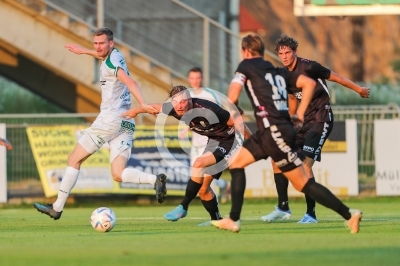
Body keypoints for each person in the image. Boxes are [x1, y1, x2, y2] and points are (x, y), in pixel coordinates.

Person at [211, 33, 362, 233]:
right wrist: (299, 113)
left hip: (273, 131)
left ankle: (347, 214)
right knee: (238, 163)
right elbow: (308, 84)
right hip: (274, 131)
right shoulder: (277, 72)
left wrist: (234, 109)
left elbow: (231, 97)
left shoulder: (246, 66)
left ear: (245, 51)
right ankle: (348, 214)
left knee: (302, 181)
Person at [33, 27, 166, 220]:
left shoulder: (112, 63)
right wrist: (84, 51)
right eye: (95, 43)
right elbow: (103, 57)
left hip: (110, 120)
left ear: (110, 43)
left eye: (101, 43)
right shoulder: (116, 55)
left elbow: (131, 83)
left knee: (74, 159)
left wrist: (144, 104)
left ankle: (57, 207)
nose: (97, 47)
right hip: (127, 121)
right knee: (118, 174)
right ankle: (155, 180)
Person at [261, 34, 370, 224]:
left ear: (295, 52)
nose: (285, 56)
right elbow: (293, 98)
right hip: (302, 121)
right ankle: (283, 208)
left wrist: (358, 89)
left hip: (321, 119)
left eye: (288, 52)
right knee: (276, 159)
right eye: (281, 53)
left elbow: (337, 77)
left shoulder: (310, 67)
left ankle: (310, 214)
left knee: (303, 166)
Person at [122, 85, 250, 226]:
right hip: (214, 141)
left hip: (229, 140)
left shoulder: (206, 109)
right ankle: (216, 220)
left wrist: (253, 146)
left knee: (198, 164)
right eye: (176, 102)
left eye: (183, 101)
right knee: (203, 189)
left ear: (189, 99)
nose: (180, 106)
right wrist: (134, 111)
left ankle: (183, 206)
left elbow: (236, 123)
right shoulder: (173, 108)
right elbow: (154, 107)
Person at [187, 67, 228, 208]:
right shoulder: (188, 96)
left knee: (208, 179)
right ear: (189, 79)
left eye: (198, 78)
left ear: (202, 78)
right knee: (196, 174)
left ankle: (216, 212)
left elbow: (221, 111)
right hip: (196, 142)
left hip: (212, 140)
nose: (195, 81)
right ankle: (223, 186)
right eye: (192, 78)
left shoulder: (209, 95)